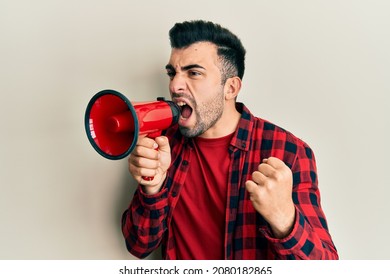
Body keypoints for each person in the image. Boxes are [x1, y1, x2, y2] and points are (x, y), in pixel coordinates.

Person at [121, 20, 338, 260]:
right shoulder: (164, 144)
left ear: (231, 88)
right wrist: (152, 189)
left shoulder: (289, 150)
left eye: (193, 73)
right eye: (173, 73)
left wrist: (284, 219)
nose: (174, 85)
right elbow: (138, 245)